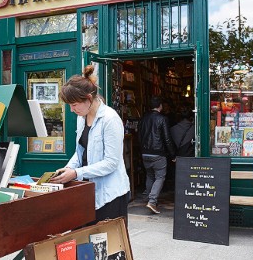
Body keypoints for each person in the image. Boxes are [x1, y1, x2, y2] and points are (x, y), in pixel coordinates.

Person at [50, 65, 130, 224]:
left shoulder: (110, 119)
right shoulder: (82, 118)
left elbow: (111, 162)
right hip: (87, 192)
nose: (72, 110)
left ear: (88, 98)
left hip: (110, 195)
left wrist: (76, 173)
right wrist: (69, 168)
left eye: (74, 105)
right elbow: (80, 150)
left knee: (108, 245)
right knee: (84, 242)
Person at [138, 96, 176, 214]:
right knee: (160, 177)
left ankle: (148, 199)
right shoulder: (162, 119)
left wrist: (142, 150)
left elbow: (139, 136)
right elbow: (167, 139)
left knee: (150, 176)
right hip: (158, 153)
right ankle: (152, 201)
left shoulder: (143, 118)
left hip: (145, 153)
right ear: (160, 106)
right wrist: (173, 155)